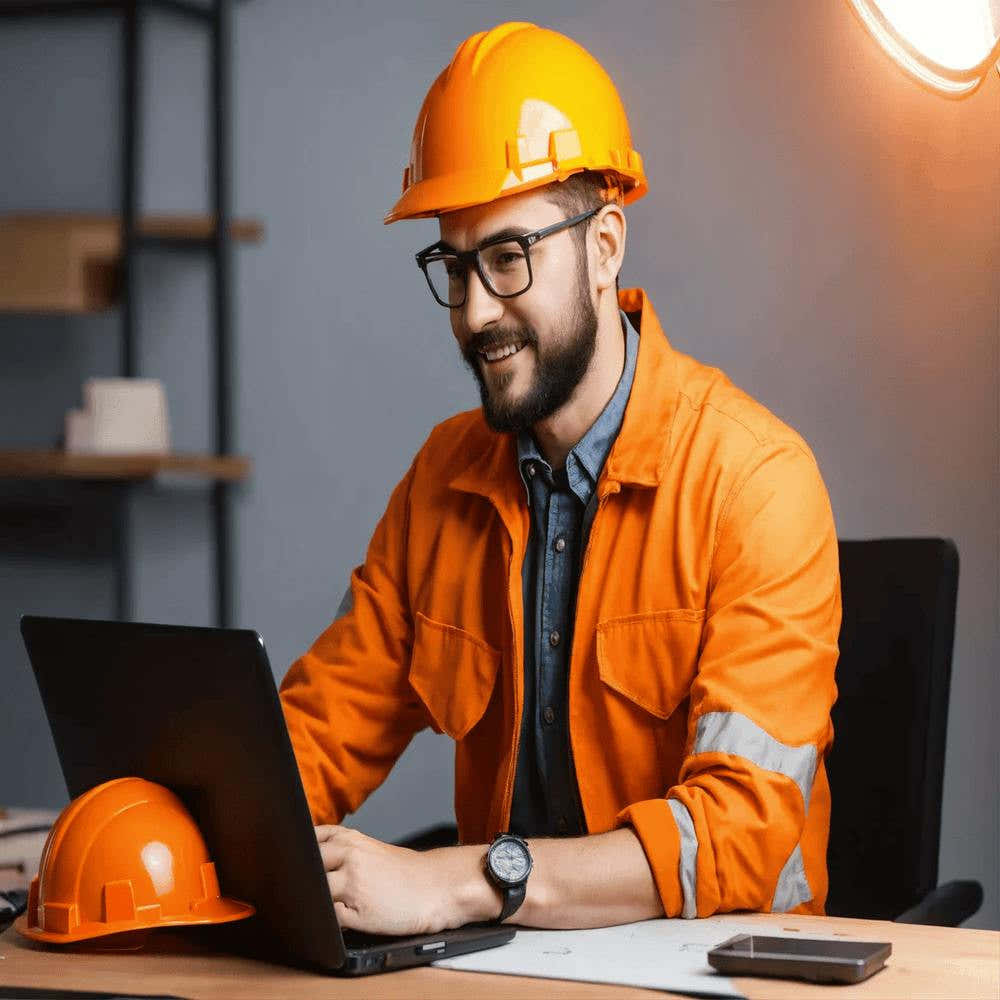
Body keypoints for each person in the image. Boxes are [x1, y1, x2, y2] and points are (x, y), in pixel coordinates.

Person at [279, 21, 840, 936]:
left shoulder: (756, 483)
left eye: (508, 258)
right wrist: (165, 829)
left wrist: (468, 881)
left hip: (724, 971)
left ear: (605, 245)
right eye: (454, 265)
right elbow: (311, 742)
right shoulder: (442, 482)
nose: (474, 312)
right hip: (508, 974)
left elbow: (740, 835)